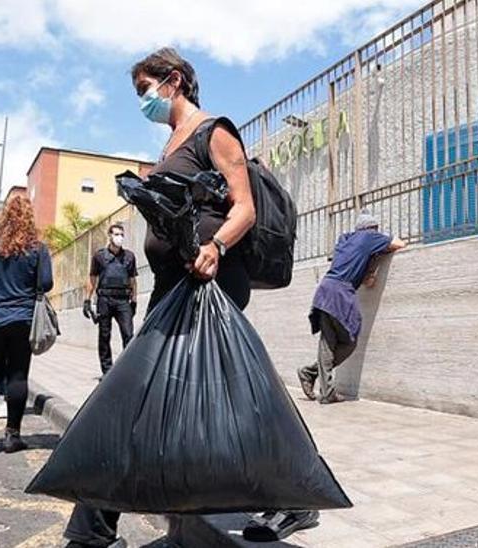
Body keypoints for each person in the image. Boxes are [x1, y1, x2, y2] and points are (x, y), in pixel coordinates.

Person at [64, 47, 317, 548]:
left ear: (173, 80)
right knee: (218, 392)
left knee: (131, 395)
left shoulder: (213, 131)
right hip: (171, 287)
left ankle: (89, 532)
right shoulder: (170, 144)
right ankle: (290, 495)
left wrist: (217, 245)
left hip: (210, 282)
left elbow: (243, 207)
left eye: (145, 90)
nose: (143, 100)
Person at [0, 196, 53, 454]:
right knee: (17, 374)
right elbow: (46, 283)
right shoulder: (37, 247)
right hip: (22, 318)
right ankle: (12, 435)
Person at [298, 212, 405, 404]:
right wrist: (381, 249)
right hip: (340, 294)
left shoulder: (345, 241)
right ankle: (314, 377)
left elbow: (361, 275)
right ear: (372, 228)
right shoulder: (369, 237)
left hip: (324, 291)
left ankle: (319, 383)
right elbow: (399, 244)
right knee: (350, 340)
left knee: (328, 343)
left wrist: (370, 266)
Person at [83, 223, 137, 376]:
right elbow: (92, 278)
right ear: (110, 236)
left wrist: (134, 301)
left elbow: (133, 280)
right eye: (116, 234)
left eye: (121, 234)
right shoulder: (99, 256)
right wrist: (87, 301)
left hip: (123, 301)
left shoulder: (129, 257)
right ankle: (107, 372)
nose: (119, 237)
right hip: (105, 300)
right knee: (104, 336)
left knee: (128, 334)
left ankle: (128, 371)